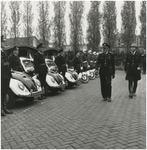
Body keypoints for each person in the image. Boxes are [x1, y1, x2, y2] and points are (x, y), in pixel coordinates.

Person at [1, 36, 13, 116]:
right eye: (2, 42)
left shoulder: (4, 52)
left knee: (4, 92)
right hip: (1, 75)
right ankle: (1, 109)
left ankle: (4, 107)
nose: (4, 43)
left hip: (6, 75)